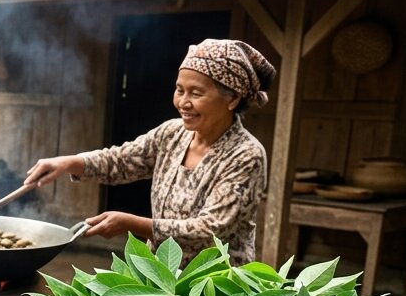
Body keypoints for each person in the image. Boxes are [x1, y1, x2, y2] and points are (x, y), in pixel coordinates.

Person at [25, 39, 276, 265]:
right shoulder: (172, 133)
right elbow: (122, 161)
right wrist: (70, 162)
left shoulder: (246, 155)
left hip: (216, 282)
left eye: (196, 93)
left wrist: (131, 224)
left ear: (232, 99)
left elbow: (209, 232)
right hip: (160, 273)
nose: (183, 102)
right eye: (179, 90)